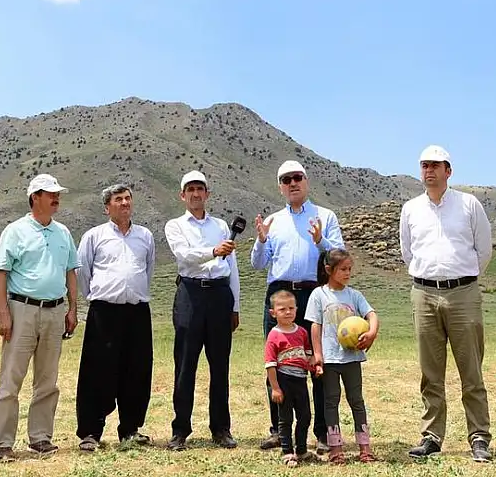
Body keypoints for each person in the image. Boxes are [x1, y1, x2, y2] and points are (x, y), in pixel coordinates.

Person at [398, 145, 494, 461]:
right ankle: (431, 436)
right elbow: (408, 252)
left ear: (448, 171)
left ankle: (479, 437)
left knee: (471, 369)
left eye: (436, 165)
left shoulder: (468, 205)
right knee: (430, 371)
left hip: (463, 293)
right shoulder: (410, 209)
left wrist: (460, 277)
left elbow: (484, 251)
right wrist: (431, 278)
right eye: (425, 165)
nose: (429, 170)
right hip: (423, 293)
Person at [252, 160, 344, 453]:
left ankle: (321, 431)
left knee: (317, 362)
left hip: (312, 293)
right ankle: (279, 432)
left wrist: (320, 242)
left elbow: (339, 256)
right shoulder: (273, 221)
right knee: (278, 363)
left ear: (307, 181)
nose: (292, 183)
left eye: (297, 177)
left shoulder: (325, 216)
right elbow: (258, 263)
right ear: (280, 186)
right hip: (279, 295)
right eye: (286, 179)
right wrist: (260, 240)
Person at [0, 173, 79, 462]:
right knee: (11, 378)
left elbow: (70, 272)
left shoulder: (63, 232)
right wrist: (3, 313)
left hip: (55, 311)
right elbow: (0, 272)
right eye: (50, 193)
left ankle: (40, 438)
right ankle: (2, 443)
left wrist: (73, 308)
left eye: (57, 194)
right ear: (34, 197)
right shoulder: (15, 231)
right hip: (22, 310)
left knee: (48, 379)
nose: (56, 198)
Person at [75, 183, 157, 451]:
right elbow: (82, 274)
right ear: (106, 206)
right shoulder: (94, 236)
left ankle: (130, 430)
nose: (124, 203)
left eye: (128, 198)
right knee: (97, 371)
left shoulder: (145, 236)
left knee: (137, 370)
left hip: (136, 311)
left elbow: (148, 270)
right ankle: (90, 432)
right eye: (118, 199)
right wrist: (99, 296)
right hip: (104, 312)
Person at [163, 171, 240, 451]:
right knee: (185, 365)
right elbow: (184, 255)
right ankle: (180, 429)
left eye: (200, 188)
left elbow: (233, 267)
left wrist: (235, 304)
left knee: (220, 365)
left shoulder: (220, 225)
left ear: (208, 193)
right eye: (190, 189)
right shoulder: (174, 226)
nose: (196, 193)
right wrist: (214, 251)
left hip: (220, 294)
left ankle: (221, 428)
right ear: (182, 195)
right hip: (190, 295)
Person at [306, 248, 379, 465]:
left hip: (352, 359)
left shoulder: (354, 295)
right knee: (331, 401)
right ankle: (336, 449)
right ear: (329, 270)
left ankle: (365, 448)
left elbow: (371, 314)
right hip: (330, 360)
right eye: (343, 269)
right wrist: (317, 354)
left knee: (356, 400)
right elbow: (315, 326)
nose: (348, 273)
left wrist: (372, 332)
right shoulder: (319, 295)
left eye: (349, 269)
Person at [264, 289, 320, 468]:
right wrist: (275, 388)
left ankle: (302, 450)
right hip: (283, 380)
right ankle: (288, 452)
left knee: (305, 416)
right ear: (273, 313)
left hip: (301, 381)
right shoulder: (274, 335)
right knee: (285, 419)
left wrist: (315, 366)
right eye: (282, 309)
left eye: (291, 308)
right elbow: (270, 365)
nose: (287, 312)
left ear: (297, 309)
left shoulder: (302, 332)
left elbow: (307, 355)